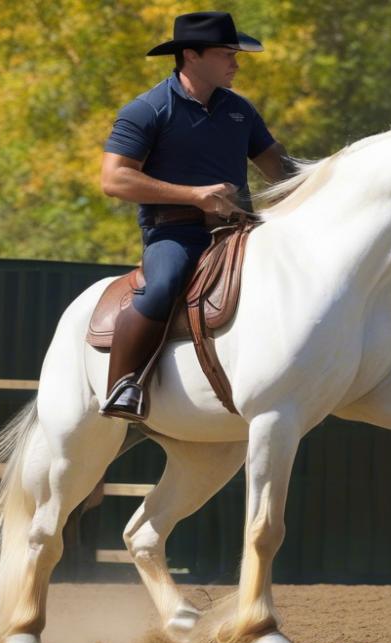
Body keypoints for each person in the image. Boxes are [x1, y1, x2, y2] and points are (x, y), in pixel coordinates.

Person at [99, 11, 292, 420]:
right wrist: (195, 196)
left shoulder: (241, 111)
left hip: (241, 231)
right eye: (227, 54)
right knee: (163, 283)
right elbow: (114, 179)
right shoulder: (147, 110)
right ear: (190, 55)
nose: (236, 64)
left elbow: (283, 171)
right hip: (175, 235)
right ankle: (124, 384)